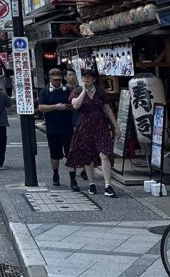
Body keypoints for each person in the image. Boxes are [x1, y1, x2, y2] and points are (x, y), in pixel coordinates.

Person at [66, 68, 121, 197]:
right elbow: (75, 106)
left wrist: (116, 126)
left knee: (105, 154)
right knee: (88, 156)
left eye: (89, 77)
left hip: (100, 126)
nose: (87, 79)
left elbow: (108, 110)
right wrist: (84, 92)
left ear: (94, 79)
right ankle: (92, 183)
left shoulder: (100, 92)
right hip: (84, 127)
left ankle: (108, 185)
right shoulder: (77, 91)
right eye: (85, 77)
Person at [38, 68, 79, 190]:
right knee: (54, 154)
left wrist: (67, 107)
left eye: (59, 79)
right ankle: (55, 174)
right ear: (50, 79)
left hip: (67, 127)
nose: (57, 82)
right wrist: (55, 106)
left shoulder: (68, 90)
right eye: (54, 80)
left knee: (70, 153)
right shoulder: (45, 91)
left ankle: (73, 179)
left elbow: (74, 105)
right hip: (52, 128)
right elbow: (40, 107)